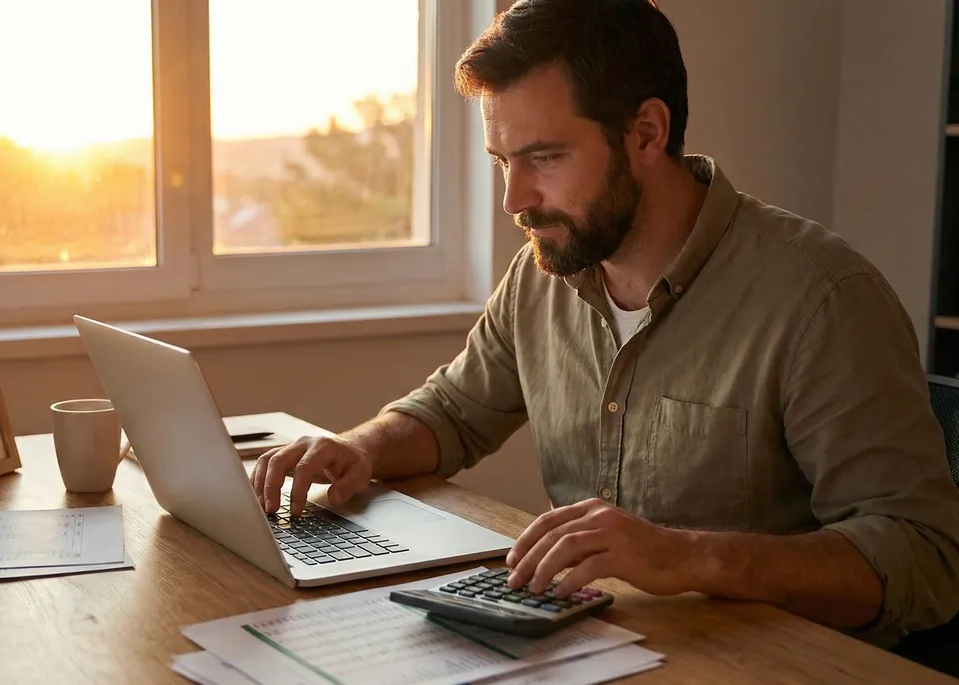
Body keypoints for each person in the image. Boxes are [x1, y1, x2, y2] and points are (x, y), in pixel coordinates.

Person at [250, 0, 959, 648]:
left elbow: (922, 559)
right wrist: (359, 447)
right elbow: (452, 413)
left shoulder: (821, 298)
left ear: (647, 132)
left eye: (545, 158)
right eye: (502, 161)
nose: (514, 200)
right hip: (604, 648)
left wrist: (682, 556)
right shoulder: (545, 271)